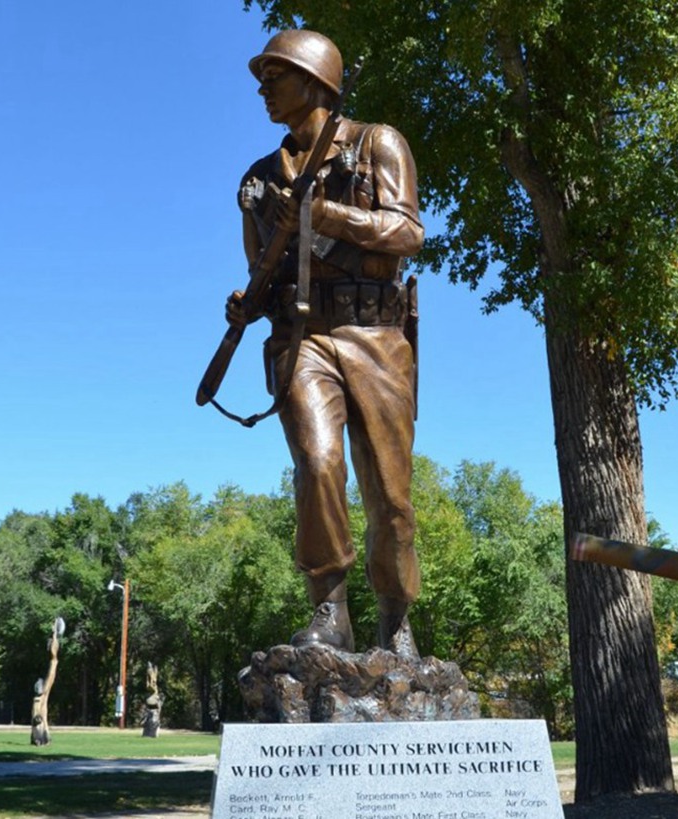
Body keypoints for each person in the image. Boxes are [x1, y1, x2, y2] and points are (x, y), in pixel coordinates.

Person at [226, 29, 424, 658]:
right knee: (317, 464)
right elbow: (265, 268)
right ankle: (328, 610)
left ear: (314, 81)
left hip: (376, 336)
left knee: (390, 495)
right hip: (302, 338)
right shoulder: (258, 180)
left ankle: (395, 621)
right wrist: (246, 303)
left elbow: (406, 232)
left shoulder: (377, 143)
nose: (263, 89)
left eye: (275, 76)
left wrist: (325, 215)